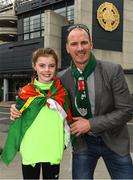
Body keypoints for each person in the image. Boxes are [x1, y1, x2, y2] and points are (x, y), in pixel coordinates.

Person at [10, 24, 133, 179]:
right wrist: (17, 107)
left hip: (114, 141)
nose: (80, 48)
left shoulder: (113, 70)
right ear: (67, 48)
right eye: (74, 44)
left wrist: (90, 124)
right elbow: (37, 94)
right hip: (83, 144)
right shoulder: (60, 79)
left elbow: (126, 111)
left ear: (91, 44)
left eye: (84, 43)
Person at [1, 48, 72, 179]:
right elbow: (17, 119)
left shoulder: (62, 93)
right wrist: (14, 111)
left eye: (51, 66)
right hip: (30, 150)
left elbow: (68, 120)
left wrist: (65, 142)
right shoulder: (25, 92)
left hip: (52, 150)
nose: (47, 70)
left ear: (56, 67)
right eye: (42, 65)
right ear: (34, 66)